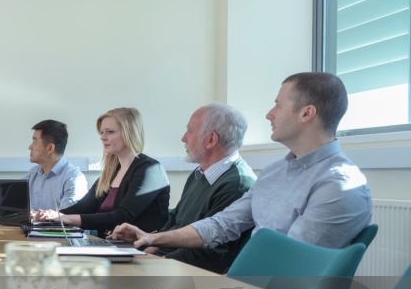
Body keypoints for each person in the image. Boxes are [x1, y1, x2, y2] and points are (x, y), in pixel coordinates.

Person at [111, 72, 372, 253]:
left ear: (307, 113)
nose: (269, 114)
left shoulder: (338, 185)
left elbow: (290, 264)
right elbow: (221, 225)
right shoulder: (275, 172)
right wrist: (152, 238)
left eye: (278, 105)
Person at [152, 103, 257, 274]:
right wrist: (150, 246)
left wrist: (157, 261)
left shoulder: (237, 184)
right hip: (171, 265)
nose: (183, 138)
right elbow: (175, 221)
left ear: (211, 140)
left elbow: (214, 253)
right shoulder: (199, 173)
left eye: (190, 131)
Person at [33, 107, 169, 233]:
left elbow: (122, 216)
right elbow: (83, 207)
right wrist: (49, 215)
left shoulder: (150, 169)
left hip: (141, 250)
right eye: (102, 132)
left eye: (110, 132)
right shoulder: (111, 172)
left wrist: (64, 218)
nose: (103, 137)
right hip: (111, 246)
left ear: (130, 133)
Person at [0, 119, 87, 218]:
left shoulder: (74, 178)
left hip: (58, 235)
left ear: (50, 148)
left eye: (34, 141)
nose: (30, 147)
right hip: (34, 234)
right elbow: (6, 200)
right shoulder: (33, 173)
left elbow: (67, 219)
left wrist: (38, 218)